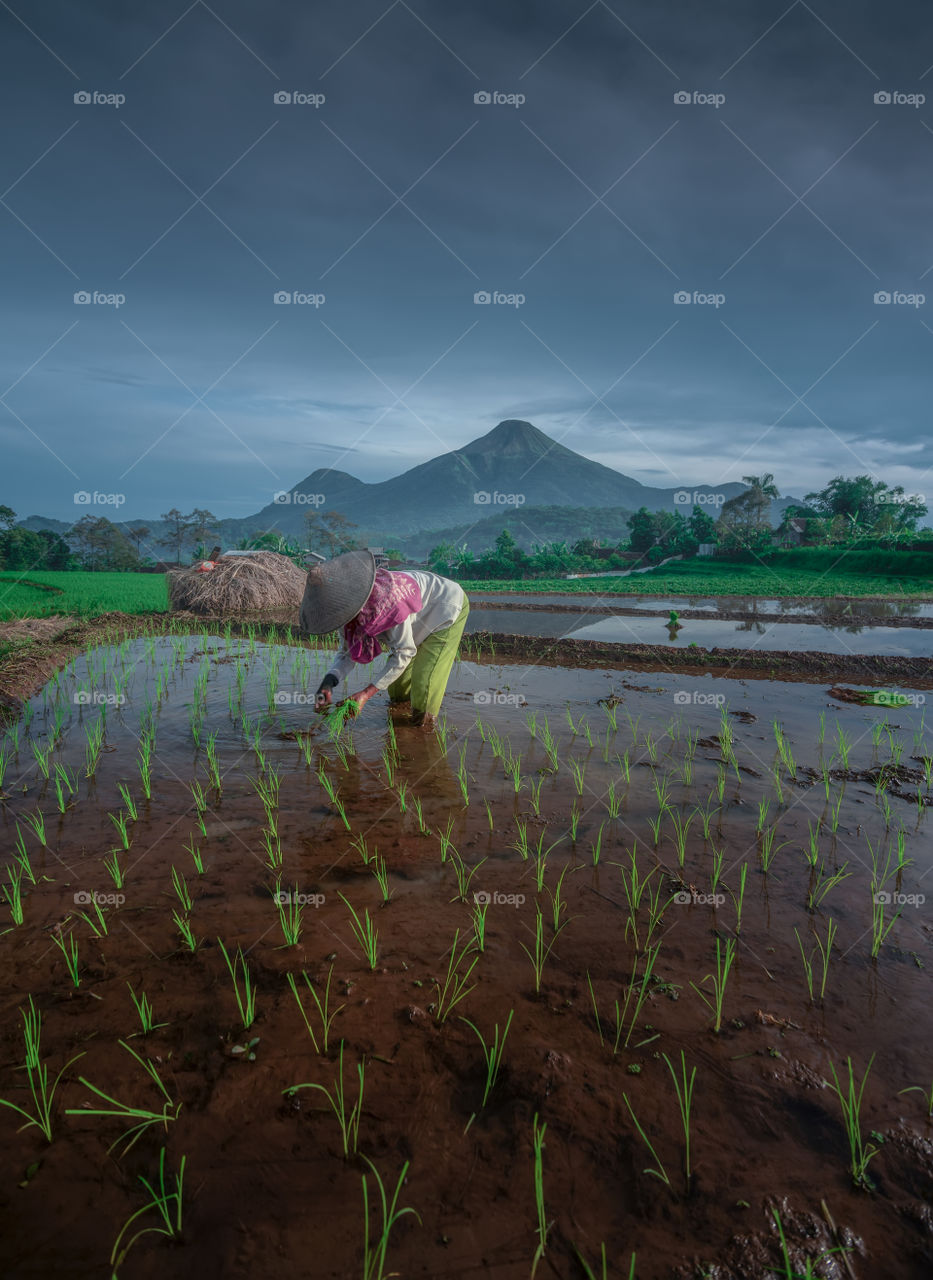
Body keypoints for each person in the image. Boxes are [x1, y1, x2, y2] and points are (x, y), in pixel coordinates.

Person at [300, 550, 469, 729]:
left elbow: (404, 652)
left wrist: (365, 694)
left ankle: (423, 730)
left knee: (424, 689)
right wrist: (328, 682)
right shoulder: (345, 612)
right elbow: (346, 653)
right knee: (397, 690)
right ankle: (401, 728)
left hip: (446, 608)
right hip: (415, 621)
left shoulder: (388, 603)